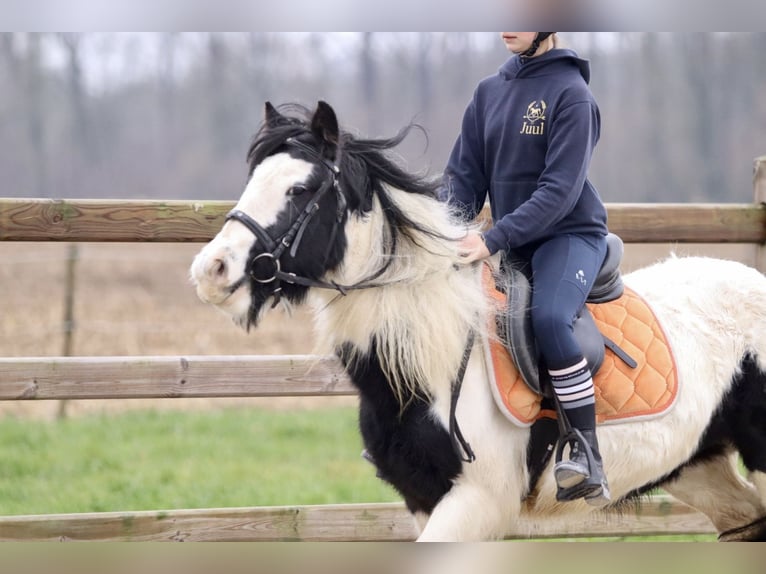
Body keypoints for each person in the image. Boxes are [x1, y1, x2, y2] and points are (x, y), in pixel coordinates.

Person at [441, 32, 611, 506]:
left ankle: (586, 452)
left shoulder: (573, 95)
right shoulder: (488, 92)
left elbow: (558, 193)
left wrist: (491, 238)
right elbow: (462, 180)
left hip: (568, 235)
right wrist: (440, 229)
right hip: (513, 240)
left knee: (551, 318)